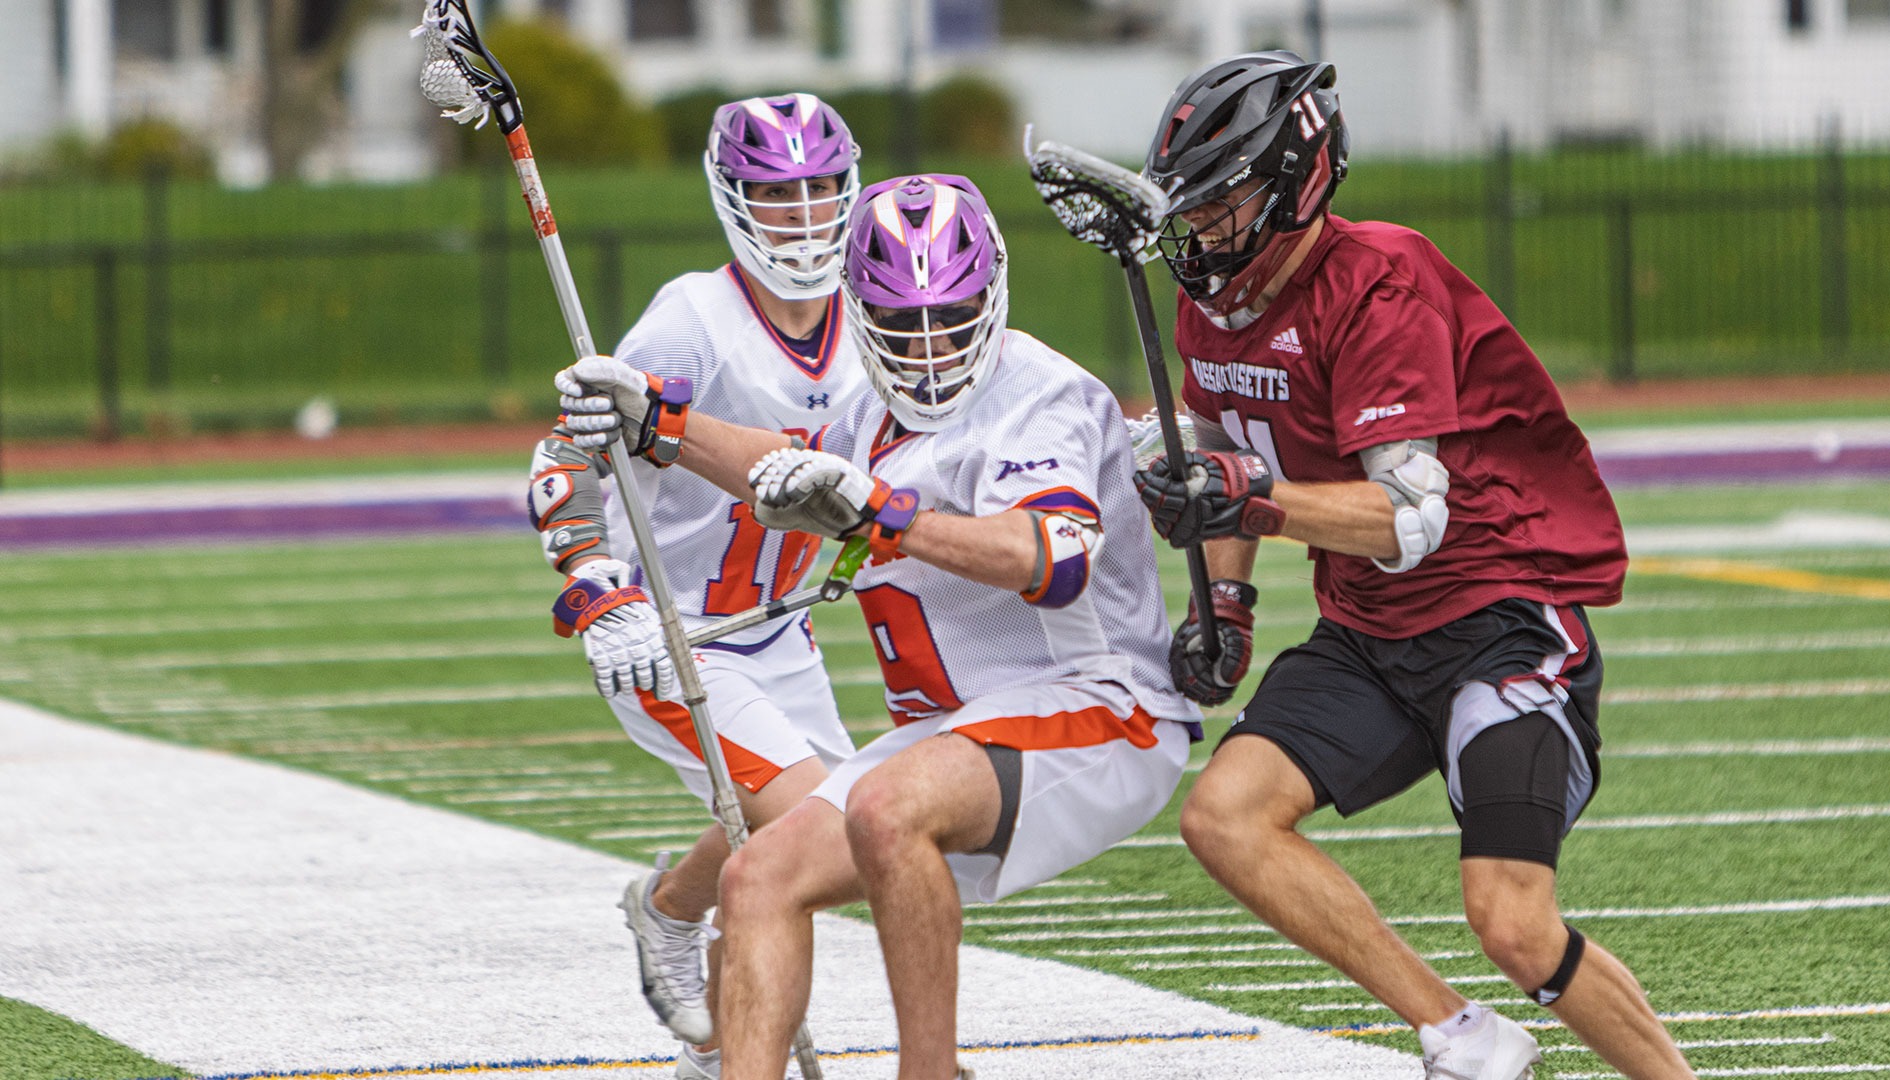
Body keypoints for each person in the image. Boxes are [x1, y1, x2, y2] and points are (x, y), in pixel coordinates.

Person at [555, 173, 1204, 1080]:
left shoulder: (1043, 392)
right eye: (903, 324)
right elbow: (785, 468)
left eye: (953, 314)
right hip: (955, 730)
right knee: (755, 878)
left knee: (887, 807)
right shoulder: (867, 411)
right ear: (860, 312)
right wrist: (660, 424)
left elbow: (1047, 563)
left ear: (994, 295)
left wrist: (885, 514)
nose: (932, 347)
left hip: (1099, 705)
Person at [1129, 52, 1699, 1080]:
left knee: (1515, 924)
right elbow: (1224, 448)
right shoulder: (1210, 304)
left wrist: (1246, 497)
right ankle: (1462, 1036)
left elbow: (1408, 520)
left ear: (1296, 180)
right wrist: (1226, 596)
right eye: (1195, 207)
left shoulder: (1380, 278)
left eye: (1228, 203)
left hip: (1497, 620)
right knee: (1224, 816)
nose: (1205, 231)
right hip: (1369, 630)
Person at [527, 92, 868, 1079]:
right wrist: (597, 584)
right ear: (733, 198)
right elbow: (563, 456)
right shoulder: (691, 319)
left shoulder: (873, 314)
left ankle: (705, 1012)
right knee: (823, 832)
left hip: (783, 636)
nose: (801, 215)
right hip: (672, 634)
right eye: (775, 193)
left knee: (810, 857)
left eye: (816, 191)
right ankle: (686, 944)